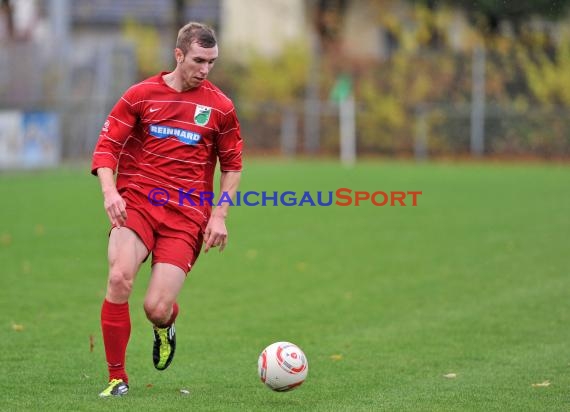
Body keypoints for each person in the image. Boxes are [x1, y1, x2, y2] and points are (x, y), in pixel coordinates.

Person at [91, 22, 243, 397]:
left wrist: (219, 215)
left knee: (156, 306)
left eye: (212, 61)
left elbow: (233, 165)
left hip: (187, 215)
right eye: (198, 60)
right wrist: (111, 192)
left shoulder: (220, 106)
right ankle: (117, 377)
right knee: (119, 277)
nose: (205, 69)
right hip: (138, 202)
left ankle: (165, 326)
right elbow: (107, 147)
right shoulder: (141, 95)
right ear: (178, 55)